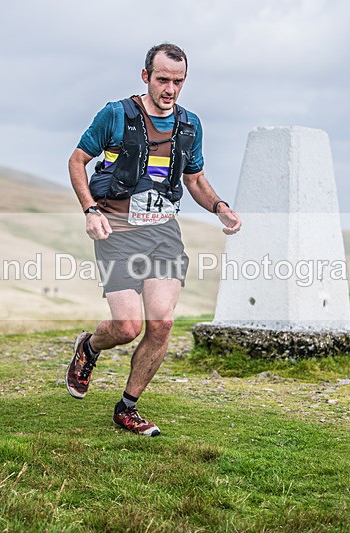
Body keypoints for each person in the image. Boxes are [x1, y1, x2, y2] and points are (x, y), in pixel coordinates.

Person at [66, 43, 242, 436]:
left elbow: (195, 179)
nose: (170, 89)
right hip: (117, 228)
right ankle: (89, 347)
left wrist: (219, 207)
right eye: (163, 79)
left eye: (178, 81)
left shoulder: (190, 125)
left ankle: (127, 408)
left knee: (161, 323)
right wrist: (90, 210)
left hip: (163, 231)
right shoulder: (116, 115)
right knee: (127, 327)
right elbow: (77, 161)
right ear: (146, 76)